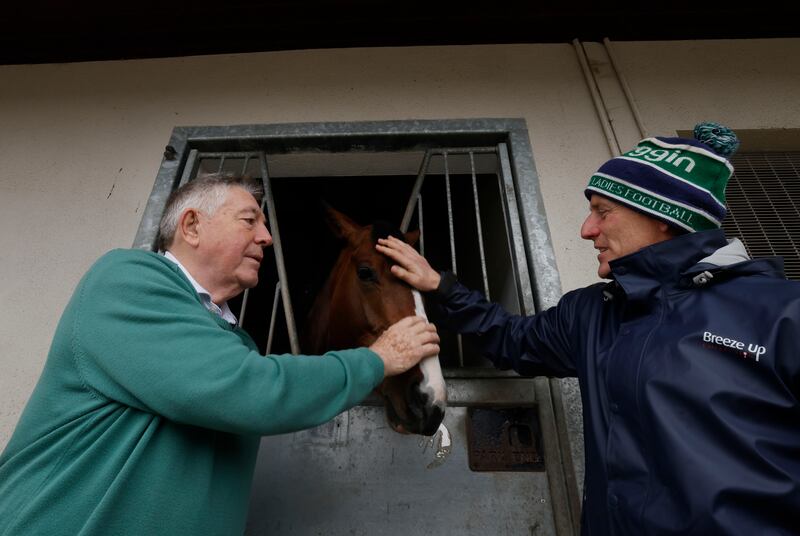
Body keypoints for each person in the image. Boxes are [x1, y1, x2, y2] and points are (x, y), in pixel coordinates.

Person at [377, 123, 800, 535]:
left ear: (664, 217)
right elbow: (511, 338)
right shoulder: (594, 313)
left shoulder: (783, 313)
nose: (586, 230)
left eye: (603, 211)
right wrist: (440, 287)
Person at [0, 175, 439, 536]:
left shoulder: (232, 340)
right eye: (250, 220)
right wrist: (377, 360)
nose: (267, 237)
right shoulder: (127, 281)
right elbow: (251, 389)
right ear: (191, 226)